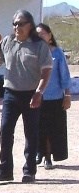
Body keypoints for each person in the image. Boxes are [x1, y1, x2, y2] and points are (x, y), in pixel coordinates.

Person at [0, 10, 53, 183]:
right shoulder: (7, 42)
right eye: (15, 23)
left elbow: (46, 71)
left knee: (30, 133)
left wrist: (39, 92)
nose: (17, 27)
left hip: (32, 93)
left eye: (21, 23)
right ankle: (5, 170)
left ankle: (29, 170)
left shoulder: (39, 45)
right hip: (10, 93)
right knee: (5, 131)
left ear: (30, 25)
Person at [35, 23, 71, 169]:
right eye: (37, 34)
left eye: (43, 33)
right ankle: (38, 152)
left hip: (54, 97)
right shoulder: (32, 53)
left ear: (50, 36)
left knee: (51, 129)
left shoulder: (57, 53)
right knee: (37, 128)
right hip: (35, 96)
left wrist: (67, 95)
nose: (40, 36)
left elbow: (65, 75)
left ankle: (48, 157)